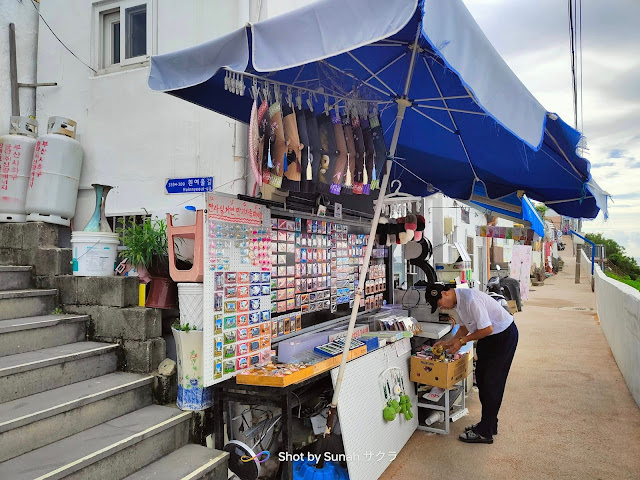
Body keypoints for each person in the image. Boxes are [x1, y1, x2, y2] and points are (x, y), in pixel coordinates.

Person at [427, 283, 518, 444]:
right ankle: (489, 424)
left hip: (502, 337)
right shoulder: (459, 301)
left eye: (439, 304)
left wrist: (462, 341)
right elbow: (464, 328)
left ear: (445, 294)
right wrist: (448, 343)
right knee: (482, 379)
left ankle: (485, 432)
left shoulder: (470, 300)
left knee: (492, 383)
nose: (442, 308)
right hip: (490, 338)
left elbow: (487, 329)